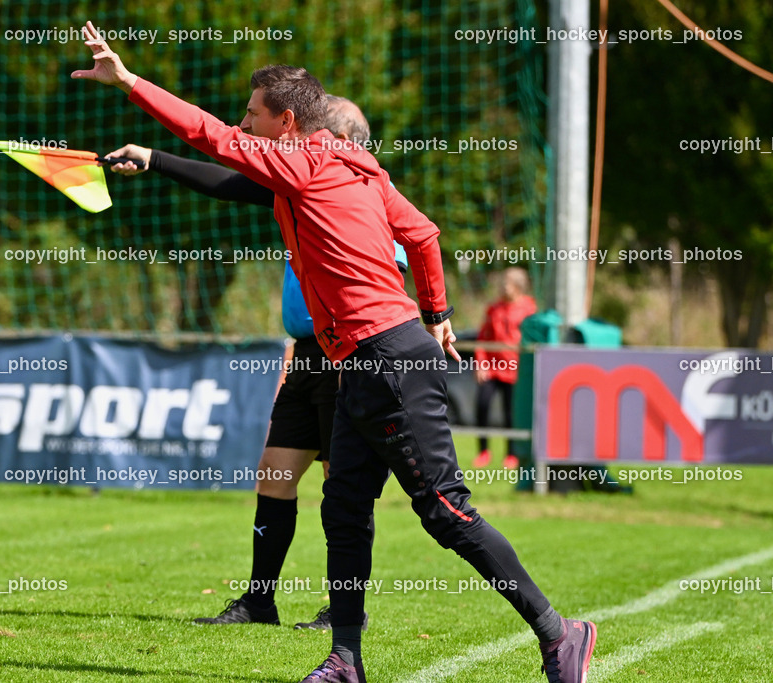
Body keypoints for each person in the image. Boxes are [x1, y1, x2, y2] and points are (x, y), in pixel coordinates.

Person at [72, 20, 596, 683]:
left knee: (446, 510)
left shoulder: (302, 163)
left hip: (388, 360)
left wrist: (130, 82)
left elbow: (208, 134)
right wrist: (437, 313)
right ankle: (345, 659)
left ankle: (560, 632)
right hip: (368, 361)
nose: (244, 126)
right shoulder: (357, 169)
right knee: (343, 506)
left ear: (285, 121)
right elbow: (426, 234)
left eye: (253, 116)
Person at [104, 96, 404, 631]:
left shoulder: (364, 196)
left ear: (337, 140)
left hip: (355, 353)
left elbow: (395, 272)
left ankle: (343, 610)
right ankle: (259, 602)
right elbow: (226, 181)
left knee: (344, 489)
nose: (295, 143)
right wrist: (154, 158)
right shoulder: (298, 185)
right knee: (274, 475)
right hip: (310, 358)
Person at [473, 267, 537, 469]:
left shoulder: (529, 309)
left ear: (518, 286)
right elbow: (483, 338)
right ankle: (483, 452)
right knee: (482, 405)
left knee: (511, 413)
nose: (502, 287)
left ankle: (511, 454)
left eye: (506, 283)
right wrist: (481, 363)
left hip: (515, 369)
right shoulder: (494, 309)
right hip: (493, 367)